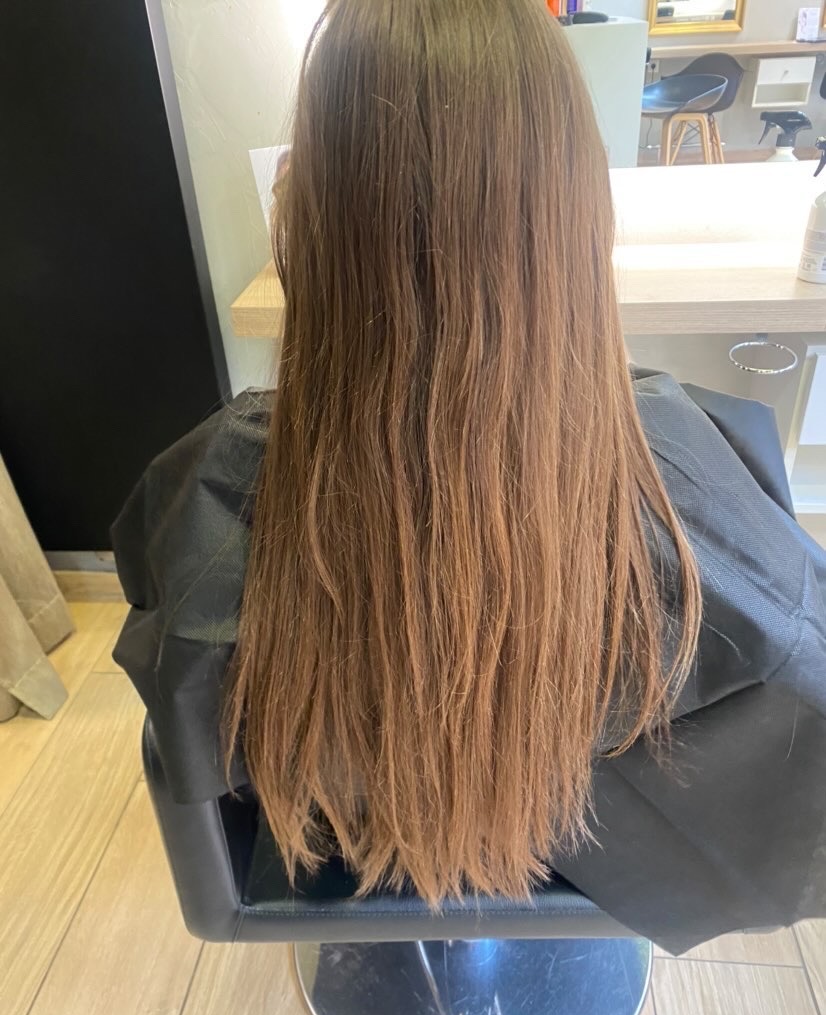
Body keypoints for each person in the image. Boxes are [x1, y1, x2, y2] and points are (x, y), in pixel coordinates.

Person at [112, 0, 826, 954]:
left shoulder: (211, 479)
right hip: (597, 847)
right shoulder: (683, 458)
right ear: (575, 211)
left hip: (337, 839)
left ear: (311, 212)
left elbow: (181, 685)